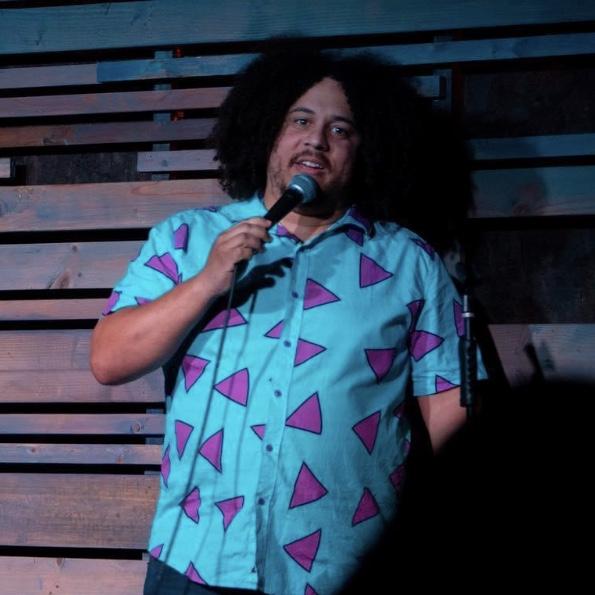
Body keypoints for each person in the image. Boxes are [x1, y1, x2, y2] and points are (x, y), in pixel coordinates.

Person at [91, 48, 483, 595]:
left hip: (344, 567)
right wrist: (207, 281)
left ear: (364, 149)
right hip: (196, 560)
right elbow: (108, 360)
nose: (316, 140)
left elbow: (449, 409)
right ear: (268, 133)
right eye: (300, 121)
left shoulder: (407, 262)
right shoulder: (186, 239)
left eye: (340, 129)